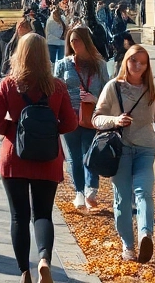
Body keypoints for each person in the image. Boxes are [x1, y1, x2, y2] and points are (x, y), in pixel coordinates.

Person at [0, 34, 78, 283]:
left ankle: (24, 271)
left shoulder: (9, 84)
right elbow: (71, 122)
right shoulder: (56, 86)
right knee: (43, 214)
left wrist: (15, 129)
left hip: (15, 158)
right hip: (47, 158)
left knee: (19, 216)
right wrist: (48, 131)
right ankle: (45, 260)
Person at [92, 45, 155, 263]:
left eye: (142, 62)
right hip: (120, 150)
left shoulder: (152, 90)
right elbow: (96, 118)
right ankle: (128, 246)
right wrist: (115, 120)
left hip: (146, 149)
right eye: (134, 60)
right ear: (126, 61)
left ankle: (145, 234)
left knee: (144, 193)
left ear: (147, 66)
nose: (137, 66)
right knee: (123, 198)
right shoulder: (113, 87)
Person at [53, 26, 110, 212]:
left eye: (77, 40)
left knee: (89, 153)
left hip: (91, 115)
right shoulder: (63, 64)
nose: (74, 44)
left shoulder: (99, 65)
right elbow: (55, 89)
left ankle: (91, 189)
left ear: (86, 41)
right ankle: (79, 192)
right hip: (69, 115)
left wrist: (95, 99)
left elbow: (107, 91)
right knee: (74, 156)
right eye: (71, 41)